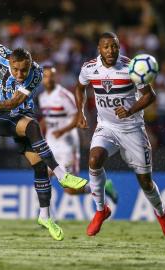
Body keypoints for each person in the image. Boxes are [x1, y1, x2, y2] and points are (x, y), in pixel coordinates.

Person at [0, 27, 88, 241]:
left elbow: (15, 101)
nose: (19, 74)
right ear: (9, 62)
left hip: (16, 113)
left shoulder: (35, 74)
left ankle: (45, 216)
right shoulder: (4, 55)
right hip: (1, 118)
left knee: (39, 167)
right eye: (15, 69)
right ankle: (63, 176)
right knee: (33, 126)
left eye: (23, 70)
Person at [74, 32, 165, 240]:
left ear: (119, 48)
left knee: (145, 182)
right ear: (99, 49)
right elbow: (79, 87)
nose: (111, 51)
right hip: (107, 127)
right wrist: (80, 112)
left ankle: (161, 214)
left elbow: (150, 95)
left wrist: (129, 110)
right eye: (106, 47)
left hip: (132, 129)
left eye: (115, 47)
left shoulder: (131, 67)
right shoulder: (89, 68)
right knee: (93, 160)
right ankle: (101, 209)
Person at [38, 65, 118, 203]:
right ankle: (48, 217)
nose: (49, 79)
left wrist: (62, 131)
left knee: (70, 190)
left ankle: (102, 186)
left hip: (66, 146)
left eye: (51, 76)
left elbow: (78, 116)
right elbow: (48, 117)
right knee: (43, 177)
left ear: (56, 77)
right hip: (50, 144)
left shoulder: (64, 96)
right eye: (45, 76)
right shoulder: (42, 97)